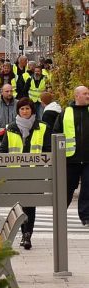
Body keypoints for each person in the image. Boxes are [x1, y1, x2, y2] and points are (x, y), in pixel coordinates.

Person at [5, 98, 50, 250]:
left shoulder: (42, 127)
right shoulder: (10, 128)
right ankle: (24, 232)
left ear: (33, 110)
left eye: (28, 109)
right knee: (20, 205)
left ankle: (27, 234)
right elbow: (3, 151)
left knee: (31, 205)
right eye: (22, 109)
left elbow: (49, 150)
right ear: (18, 111)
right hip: (16, 173)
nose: (25, 111)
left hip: (35, 173)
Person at [62, 85, 89, 227]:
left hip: (87, 159)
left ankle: (85, 216)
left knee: (87, 188)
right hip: (71, 158)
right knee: (68, 188)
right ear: (77, 96)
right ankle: (61, 213)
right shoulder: (66, 112)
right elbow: (56, 132)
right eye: (85, 93)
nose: (88, 96)